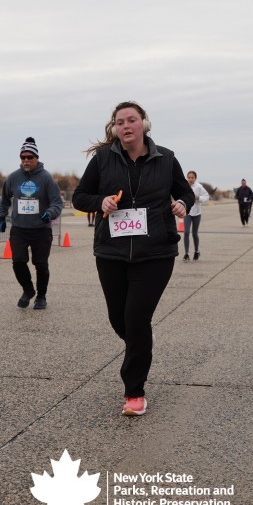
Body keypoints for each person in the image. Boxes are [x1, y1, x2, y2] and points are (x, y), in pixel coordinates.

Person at [72, 101, 193, 416]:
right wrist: (101, 201)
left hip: (156, 253)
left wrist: (182, 204)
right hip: (111, 252)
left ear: (144, 124)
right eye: (120, 122)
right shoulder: (103, 159)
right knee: (119, 319)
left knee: (136, 318)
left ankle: (134, 392)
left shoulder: (166, 159)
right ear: (114, 128)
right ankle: (141, 344)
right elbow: (79, 197)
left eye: (131, 120)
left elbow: (186, 193)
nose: (126, 126)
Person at [0, 137, 64, 310]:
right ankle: (28, 290)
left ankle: (41, 296)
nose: (26, 160)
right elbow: (4, 199)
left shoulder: (46, 178)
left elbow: (57, 202)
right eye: (23, 157)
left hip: (41, 230)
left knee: (41, 264)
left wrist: (50, 213)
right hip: (19, 229)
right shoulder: (13, 178)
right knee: (18, 261)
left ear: (36, 158)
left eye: (30, 157)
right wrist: (2, 217)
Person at [182, 171, 210, 261]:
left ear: (195, 178)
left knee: (194, 233)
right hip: (187, 212)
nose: (190, 179)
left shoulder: (199, 187)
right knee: (186, 232)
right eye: (189, 177)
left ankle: (196, 251)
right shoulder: (184, 186)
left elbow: (206, 197)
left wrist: (199, 198)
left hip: (197, 213)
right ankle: (186, 254)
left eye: (192, 177)